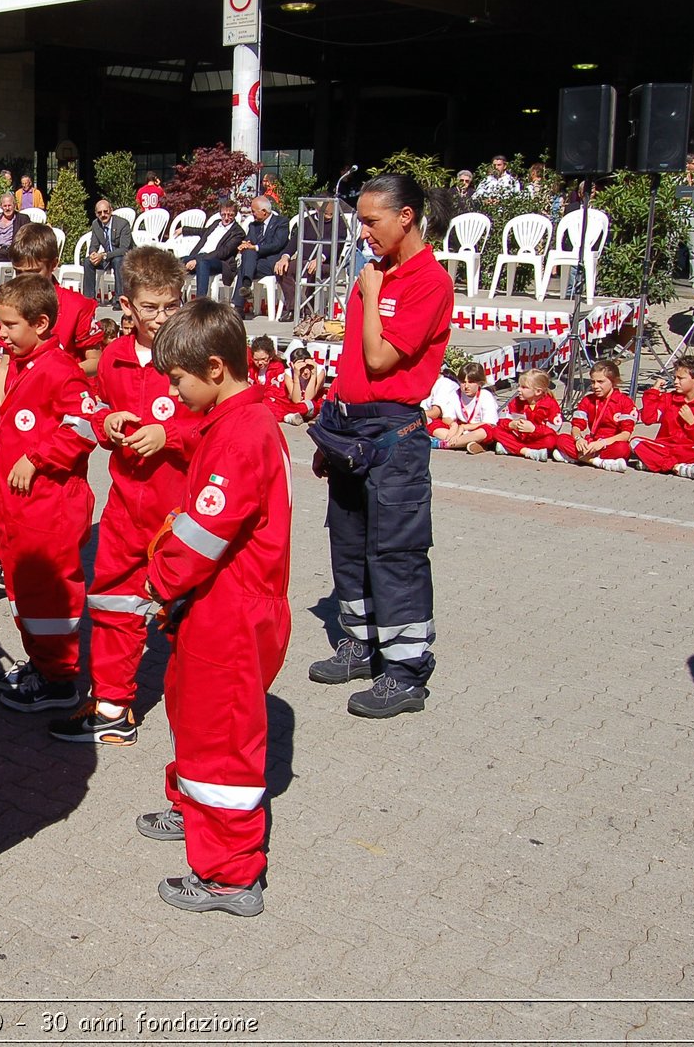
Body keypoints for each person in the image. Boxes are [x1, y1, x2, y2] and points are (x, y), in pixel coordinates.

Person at [138, 297, 291, 917]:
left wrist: (159, 582)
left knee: (223, 739)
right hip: (220, 605)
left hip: (229, 609)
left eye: (178, 381)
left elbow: (205, 532)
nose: (173, 394)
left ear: (215, 367)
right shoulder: (237, 422)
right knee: (194, 714)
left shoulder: (240, 435)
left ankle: (229, 874)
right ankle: (194, 811)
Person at [308, 173, 456, 719]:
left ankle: (405, 671)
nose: (363, 231)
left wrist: (371, 295)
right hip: (352, 428)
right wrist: (331, 427)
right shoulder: (376, 274)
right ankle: (360, 643)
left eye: (372, 221)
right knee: (348, 543)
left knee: (395, 553)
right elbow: (352, 367)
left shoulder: (427, 281)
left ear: (406, 217)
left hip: (394, 435)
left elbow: (379, 360)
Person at [39, 248, 198, 742]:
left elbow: (225, 426)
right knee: (113, 603)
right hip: (128, 504)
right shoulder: (113, 357)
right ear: (126, 305)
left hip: (186, 510)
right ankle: (112, 707)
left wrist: (167, 436)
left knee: (193, 613)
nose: (161, 317)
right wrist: (105, 423)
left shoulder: (197, 351)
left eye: (171, 305)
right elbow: (96, 413)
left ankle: (198, 714)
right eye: (150, 308)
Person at [0, 273, 97, 717]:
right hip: (20, 511)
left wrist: (36, 459)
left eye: (9, 326)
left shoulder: (60, 370)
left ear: (41, 323)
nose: (1, 334)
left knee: (50, 597)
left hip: (49, 511)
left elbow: (86, 425)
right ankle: (41, 663)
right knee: (25, 594)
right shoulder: (20, 363)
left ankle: (60, 679)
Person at [8, 222, 103, 376]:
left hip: (62, 390)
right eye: (19, 272)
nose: (25, 280)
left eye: (33, 272)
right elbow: (6, 362)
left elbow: (96, 361)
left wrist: (58, 373)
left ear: (54, 264)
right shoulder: (10, 302)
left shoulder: (76, 306)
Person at [631, 356, 694, 479]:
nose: (675, 382)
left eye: (680, 378)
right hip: (665, 446)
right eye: (674, 378)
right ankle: (677, 468)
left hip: (689, 449)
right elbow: (648, 418)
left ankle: (655, 463)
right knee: (635, 442)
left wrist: (693, 423)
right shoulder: (668, 399)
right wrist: (653, 392)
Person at [552, 360, 635, 471]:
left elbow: (626, 434)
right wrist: (578, 439)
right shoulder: (588, 400)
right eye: (593, 382)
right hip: (590, 443)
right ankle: (599, 462)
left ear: (613, 381)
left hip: (610, 444)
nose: (595, 386)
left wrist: (602, 443)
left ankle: (578, 458)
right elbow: (576, 426)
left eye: (601, 382)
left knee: (623, 448)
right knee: (560, 439)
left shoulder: (625, 402)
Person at [231, 197, 289, 318]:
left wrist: (255, 247)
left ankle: (238, 306)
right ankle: (246, 287)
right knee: (248, 253)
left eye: (254, 211)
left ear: (264, 211)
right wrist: (244, 244)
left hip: (272, 262)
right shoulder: (253, 226)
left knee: (245, 265)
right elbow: (249, 240)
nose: (252, 215)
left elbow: (277, 244)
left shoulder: (281, 222)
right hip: (255, 262)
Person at [488, 370, 562, 461]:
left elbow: (553, 430)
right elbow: (501, 419)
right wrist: (510, 424)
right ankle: (527, 452)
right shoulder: (515, 402)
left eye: (524, 387)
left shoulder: (550, 404)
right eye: (519, 386)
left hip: (537, 438)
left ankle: (510, 448)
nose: (519, 389)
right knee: (495, 431)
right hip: (519, 436)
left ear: (538, 391)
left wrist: (534, 429)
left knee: (551, 441)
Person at [425, 362, 498, 451]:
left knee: (484, 432)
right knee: (433, 424)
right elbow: (447, 417)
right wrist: (453, 424)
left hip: (476, 429)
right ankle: (469, 443)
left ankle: (444, 444)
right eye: (463, 382)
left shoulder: (486, 395)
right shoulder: (455, 394)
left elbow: (490, 423)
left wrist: (464, 427)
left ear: (480, 383)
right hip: (460, 430)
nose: (466, 386)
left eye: (471, 382)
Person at [184, 197, 244, 302]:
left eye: (230, 215)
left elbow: (223, 252)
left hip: (220, 262)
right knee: (175, 262)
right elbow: (204, 231)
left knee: (202, 263)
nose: (226, 218)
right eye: (223, 214)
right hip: (199, 255)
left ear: (235, 215)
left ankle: (200, 302)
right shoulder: (216, 223)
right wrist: (183, 229)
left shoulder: (238, 232)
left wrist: (196, 261)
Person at [86, 199, 134, 301]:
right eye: (99, 213)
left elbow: (124, 249)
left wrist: (103, 255)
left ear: (111, 211)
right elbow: (93, 245)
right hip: (107, 258)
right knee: (87, 262)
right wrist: (93, 254)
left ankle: (119, 299)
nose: (103, 215)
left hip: (123, 259)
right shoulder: (96, 224)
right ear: (96, 214)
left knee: (118, 260)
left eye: (105, 211)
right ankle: (89, 300)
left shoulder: (123, 224)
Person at [266, 345, 326, 426]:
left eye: (307, 367)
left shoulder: (319, 371)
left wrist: (313, 373)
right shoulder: (288, 373)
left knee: (310, 405)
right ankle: (290, 416)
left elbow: (308, 398)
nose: (305, 372)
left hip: (312, 402)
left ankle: (287, 415)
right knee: (270, 402)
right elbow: (296, 399)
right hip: (295, 403)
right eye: (301, 369)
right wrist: (296, 376)